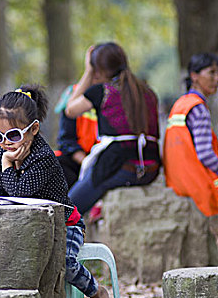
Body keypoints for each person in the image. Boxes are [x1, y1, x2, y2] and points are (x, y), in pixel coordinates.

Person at [0, 85, 114, 298]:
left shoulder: (42, 157)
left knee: (63, 261)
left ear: (33, 129)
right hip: (28, 226)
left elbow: (19, 195)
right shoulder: (2, 152)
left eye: (13, 135)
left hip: (65, 225)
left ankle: (96, 291)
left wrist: (6, 165)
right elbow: (2, 190)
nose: (6, 143)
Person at [65, 43, 160, 215]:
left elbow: (70, 109)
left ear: (98, 71)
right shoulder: (147, 91)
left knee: (67, 209)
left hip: (120, 167)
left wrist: (87, 72)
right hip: (151, 168)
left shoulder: (101, 91)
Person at [164, 53, 218, 217]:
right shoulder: (199, 108)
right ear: (194, 76)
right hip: (198, 185)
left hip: (177, 181)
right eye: (212, 73)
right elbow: (205, 154)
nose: (216, 79)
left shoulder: (181, 104)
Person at [54, 85, 98, 188]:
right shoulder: (73, 91)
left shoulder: (116, 93)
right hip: (79, 160)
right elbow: (66, 140)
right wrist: (86, 163)